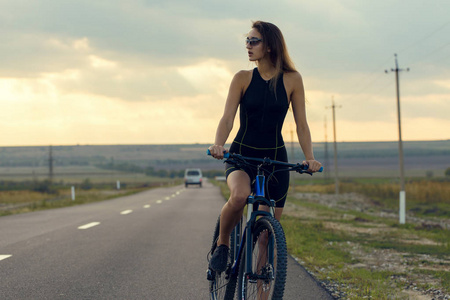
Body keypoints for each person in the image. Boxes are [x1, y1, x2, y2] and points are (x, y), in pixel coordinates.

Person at [208, 21, 322, 273]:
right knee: (238, 196)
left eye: (253, 41)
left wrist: (309, 158)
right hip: (242, 155)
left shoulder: (292, 80)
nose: (248, 46)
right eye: (246, 41)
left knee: (266, 235)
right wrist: (219, 144)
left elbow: (301, 124)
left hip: (274, 160)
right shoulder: (242, 78)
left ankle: (262, 289)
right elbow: (227, 118)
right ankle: (223, 243)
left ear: (269, 46)